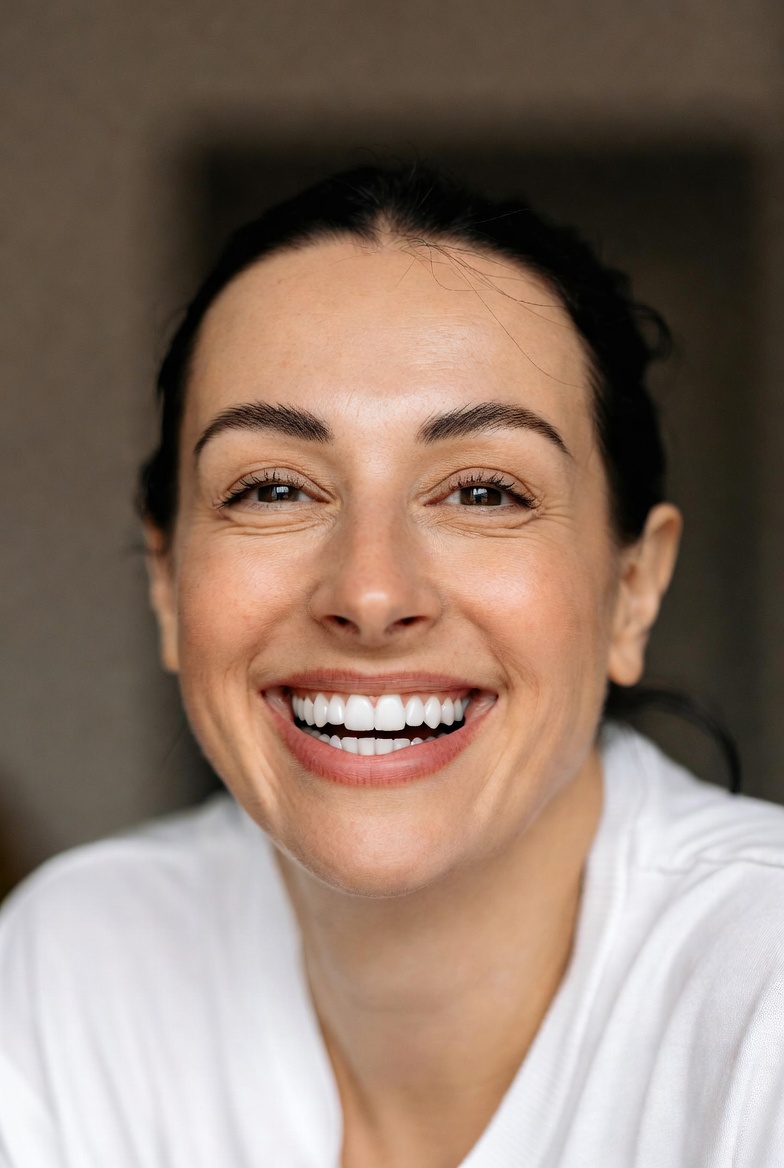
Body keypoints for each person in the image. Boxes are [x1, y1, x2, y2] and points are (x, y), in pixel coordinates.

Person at [1, 164, 783, 1168]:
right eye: (274, 488)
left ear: (632, 587)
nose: (370, 594)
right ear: (166, 581)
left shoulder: (762, 987)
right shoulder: (79, 968)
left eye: (484, 492)